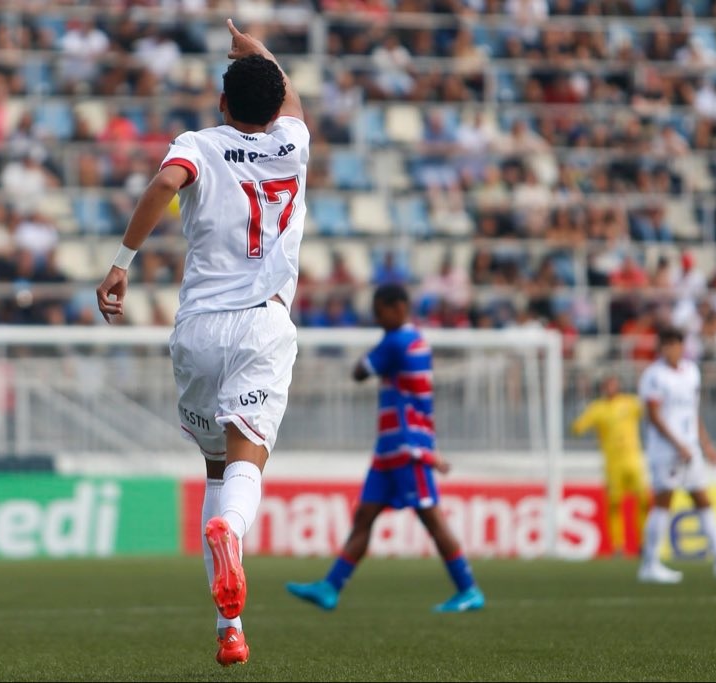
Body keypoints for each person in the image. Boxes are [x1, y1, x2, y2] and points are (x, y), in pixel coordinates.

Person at [95, 20, 308, 667]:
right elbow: (288, 102)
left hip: (197, 329)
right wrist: (259, 51)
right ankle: (231, 532)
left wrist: (121, 261)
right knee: (246, 468)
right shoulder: (293, 146)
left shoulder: (198, 144)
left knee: (216, 469)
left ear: (222, 104)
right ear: (273, 108)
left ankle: (230, 628)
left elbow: (164, 184)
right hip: (261, 323)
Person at [285, 284, 485, 614]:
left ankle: (469, 589)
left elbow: (360, 371)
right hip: (389, 448)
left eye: (379, 312)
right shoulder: (412, 339)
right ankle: (330, 587)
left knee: (432, 518)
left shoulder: (399, 341)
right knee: (365, 514)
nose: (377, 319)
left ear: (397, 308)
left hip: (409, 446)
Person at [636, 327, 716, 583]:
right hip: (665, 451)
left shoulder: (692, 372)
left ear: (682, 346)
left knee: (703, 500)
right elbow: (654, 416)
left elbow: (693, 413)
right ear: (660, 348)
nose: (672, 349)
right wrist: (676, 444)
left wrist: (706, 444)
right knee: (663, 502)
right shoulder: (654, 376)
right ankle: (649, 564)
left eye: (676, 343)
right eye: (666, 344)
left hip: (690, 449)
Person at [571, 375, 650, 556]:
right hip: (612, 464)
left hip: (633, 460)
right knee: (615, 505)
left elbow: (648, 409)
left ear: (619, 386)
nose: (611, 388)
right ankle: (618, 546)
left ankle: (643, 543)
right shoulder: (597, 408)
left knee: (644, 500)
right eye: (607, 385)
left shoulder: (629, 403)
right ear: (603, 388)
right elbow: (578, 427)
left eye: (613, 384)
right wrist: (577, 425)